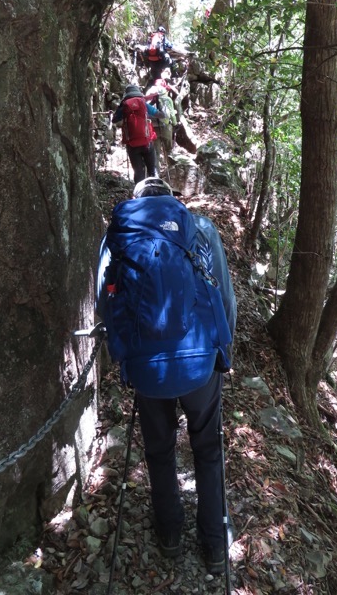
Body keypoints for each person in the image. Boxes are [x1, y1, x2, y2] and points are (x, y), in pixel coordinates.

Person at [97, 177, 237, 575]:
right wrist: (221, 352)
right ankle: (212, 545)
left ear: (136, 203)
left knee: (159, 450)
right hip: (199, 363)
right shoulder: (199, 227)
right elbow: (224, 297)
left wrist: (127, 356)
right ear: (172, 199)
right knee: (208, 450)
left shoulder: (118, 234)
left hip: (146, 368)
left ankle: (169, 534)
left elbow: (104, 303)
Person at [112, 84, 163, 183]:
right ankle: (157, 189)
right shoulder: (143, 103)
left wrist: (120, 108)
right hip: (146, 143)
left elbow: (114, 120)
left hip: (132, 145)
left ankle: (139, 193)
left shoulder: (124, 105)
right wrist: (157, 104)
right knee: (153, 169)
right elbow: (161, 115)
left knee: (138, 171)